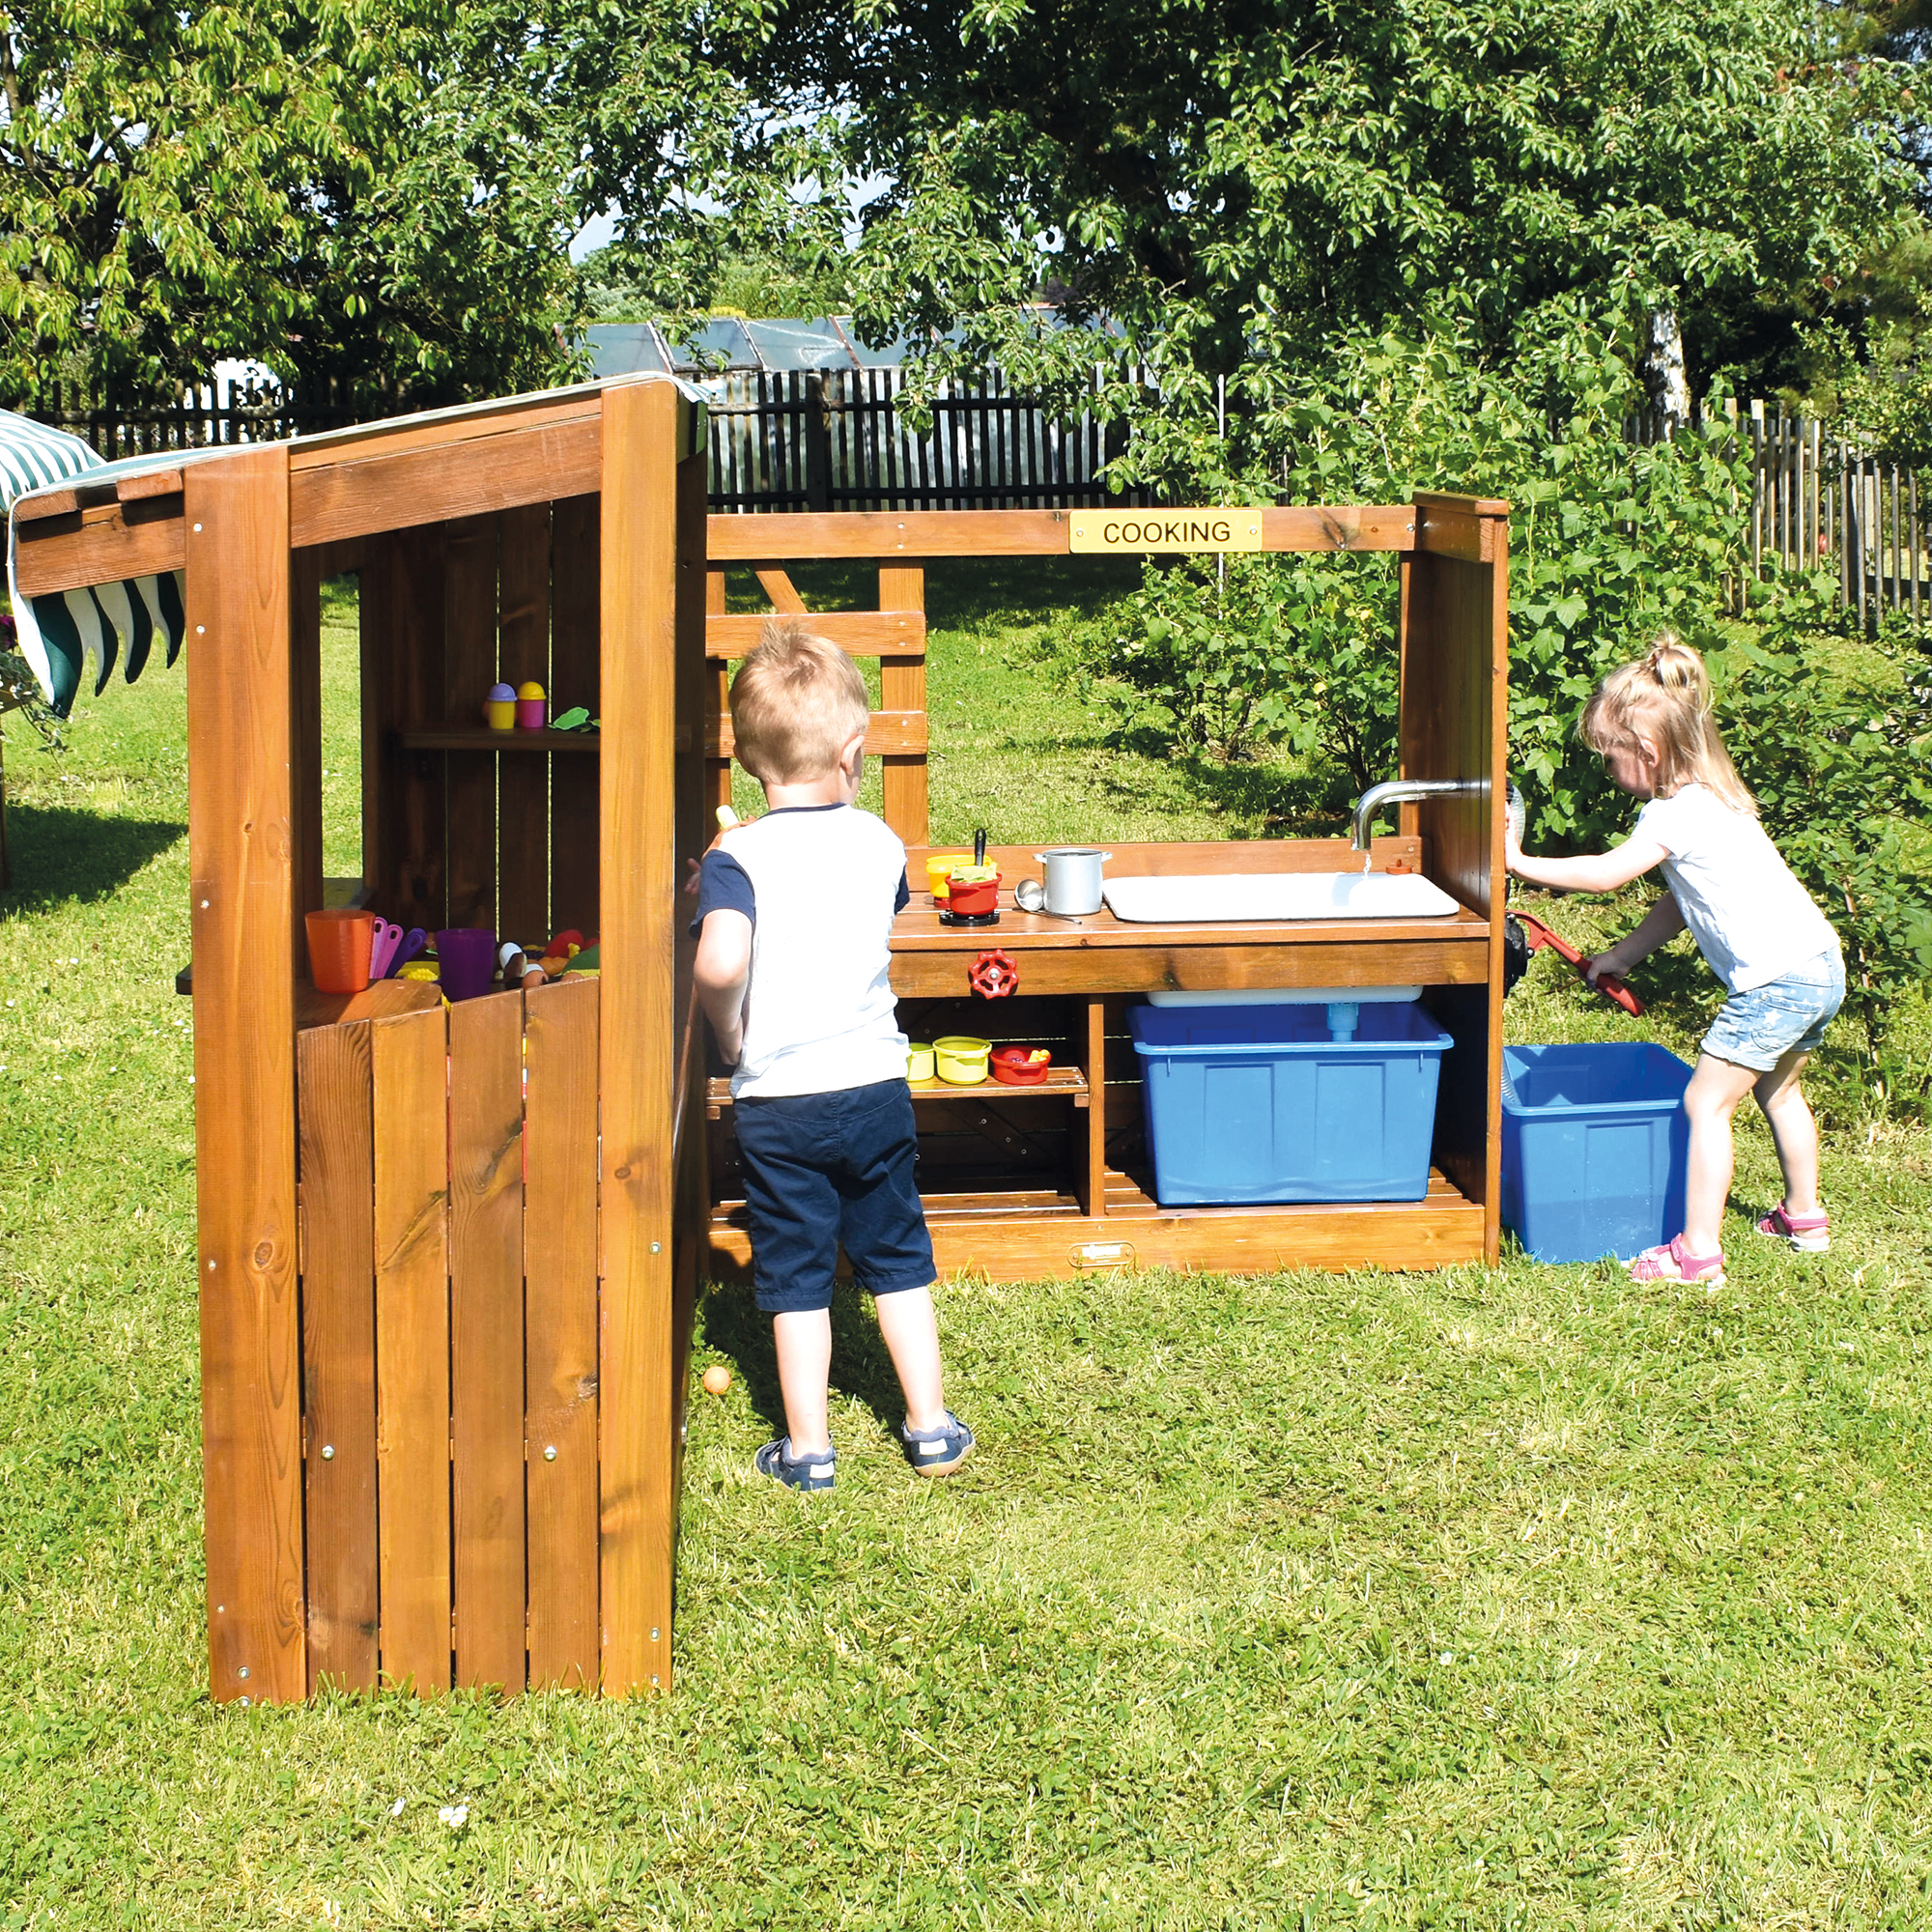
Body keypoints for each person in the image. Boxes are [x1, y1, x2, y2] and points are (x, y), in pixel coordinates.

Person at [690, 617, 973, 1490]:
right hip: (875, 1085)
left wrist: (727, 1031)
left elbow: (721, 963)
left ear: (747, 761)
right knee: (898, 1256)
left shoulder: (736, 857)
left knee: (796, 1270)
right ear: (854, 753)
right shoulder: (882, 842)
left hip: (780, 1099)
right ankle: (930, 1428)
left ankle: (809, 1452)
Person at [1505, 638, 1844, 1287]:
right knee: (1780, 1091)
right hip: (1819, 967)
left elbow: (1605, 875)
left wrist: (1518, 861)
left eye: (1611, 758)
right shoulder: (1717, 796)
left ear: (1647, 751)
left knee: (1704, 1105)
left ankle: (1698, 1254)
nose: (1611, 771)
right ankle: (1805, 1218)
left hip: (1774, 985)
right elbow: (1680, 903)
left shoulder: (1671, 813)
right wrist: (1622, 956)